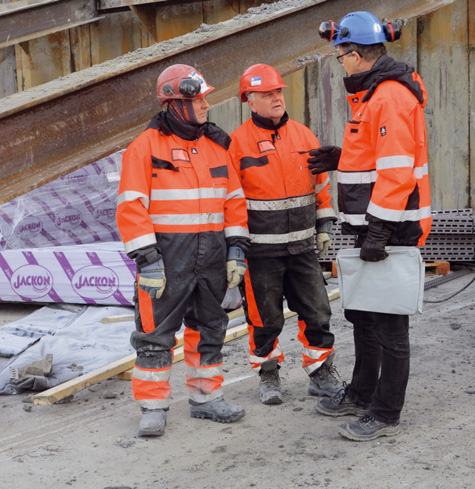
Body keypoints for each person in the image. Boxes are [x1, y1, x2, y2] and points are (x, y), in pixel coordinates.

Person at [311, 11, 432, 441]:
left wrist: (380, 230)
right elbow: (376, 157)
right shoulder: (373, 95)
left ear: (356, 54)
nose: (339, 62)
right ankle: (362, 392)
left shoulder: (389, 97)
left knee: (390, 324)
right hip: (374, 226)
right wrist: (341, 158)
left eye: (340, 55)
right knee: (363, 314)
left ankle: (384, 413)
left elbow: (397, 172)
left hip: (391, 228)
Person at [116, 64, 250, 437]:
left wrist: (236, 250)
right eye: (198, 99)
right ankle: (153, 405)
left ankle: (207, 398)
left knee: (210, 327)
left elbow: (234, 203)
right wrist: (148, 260)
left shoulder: (216, 147)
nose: (206, 105)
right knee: (155, 332)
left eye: (205, 98)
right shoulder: (145, 147)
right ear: (175, 104)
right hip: (165, 257)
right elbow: (130, 207)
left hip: (211, 254)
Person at [228, 63, 340, 406]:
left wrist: (323, 225)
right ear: (250, 100)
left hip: (303, 247)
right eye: (267, 94)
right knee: (265, 319)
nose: (276, 98)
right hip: (260, 251)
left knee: (318, 313)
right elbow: (232, 200)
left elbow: (320, 185)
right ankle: (269, 375)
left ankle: (320, 373)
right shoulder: (237, 144)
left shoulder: (304, 136)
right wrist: (235, 248)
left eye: (278, 92)